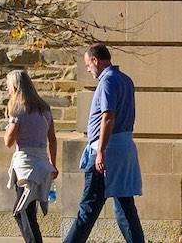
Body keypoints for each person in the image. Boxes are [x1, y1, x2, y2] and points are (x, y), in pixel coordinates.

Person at [61, 44, 144, 243]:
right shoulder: (125, 80)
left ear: (95, 60)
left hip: (107, 150)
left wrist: (100, 151)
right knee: (125, 207)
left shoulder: (107, 81)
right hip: (124, 148)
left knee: (88, 207)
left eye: (88, 64)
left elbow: (108, 116)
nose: (88, 69)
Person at [4, 69, 60, 243]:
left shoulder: (17, 109)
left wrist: (8, 126)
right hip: (42, 164)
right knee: (22, 212)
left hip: (26, 166)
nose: (7, 90)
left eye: (8, 86)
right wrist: (53, 163)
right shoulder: (44, 108)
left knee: (24, 212)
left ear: (15, 86)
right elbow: (52, 138)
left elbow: (8, 141)